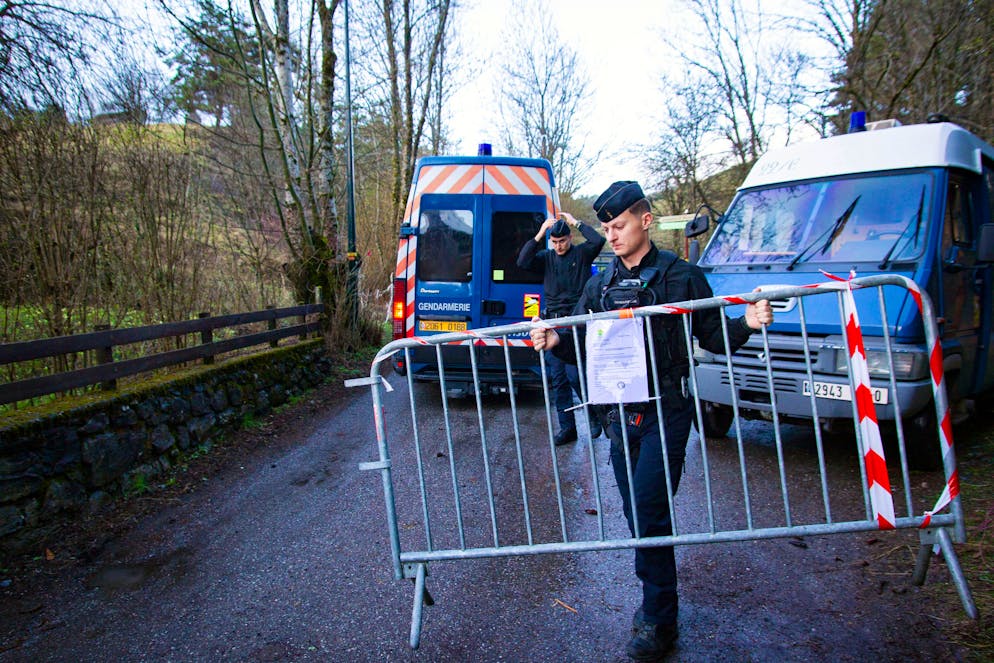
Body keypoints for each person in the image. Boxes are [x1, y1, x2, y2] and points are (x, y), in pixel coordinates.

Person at [529, 181, 773, 660]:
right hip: (619, 417)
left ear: (645, 221)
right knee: (637, 515)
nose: (612, 235)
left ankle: (659, 619)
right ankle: (656, 605)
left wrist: (747, 322)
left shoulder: (683, 277)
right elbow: (580, 341)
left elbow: (714, 337)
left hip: (667, 412)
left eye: (619, 226)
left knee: (649, 508)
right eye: (606, 229)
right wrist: (556, 341)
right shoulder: (598, 285)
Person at [517, 211, 606, 445]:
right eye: (555, 242)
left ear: (570, 238)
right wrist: (540, 234)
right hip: (553, 325)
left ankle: (594, 415)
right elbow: (522, 261)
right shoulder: (546, 257)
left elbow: (598, 240)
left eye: (562, 241)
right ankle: (567, 428)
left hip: (577, 323)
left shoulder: (582, 254)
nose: (558, 246)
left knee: (576, 376)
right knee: (558, 380)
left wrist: (576, 222)